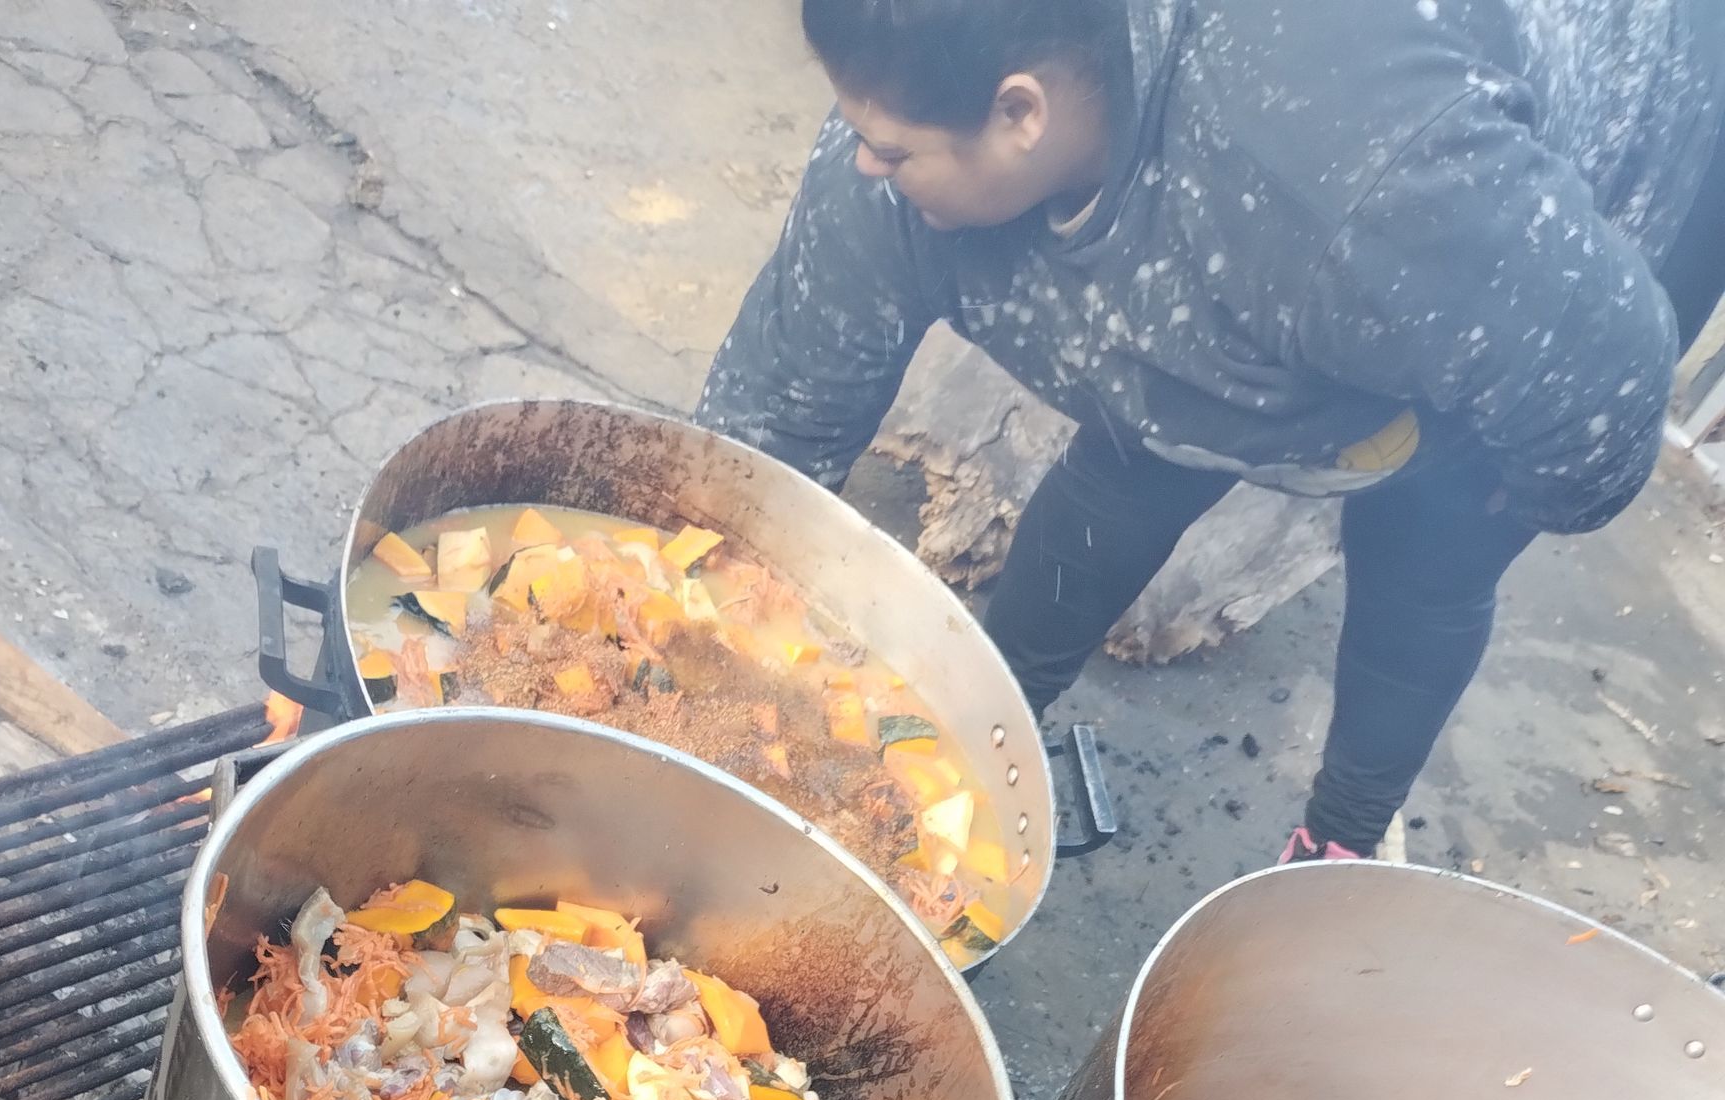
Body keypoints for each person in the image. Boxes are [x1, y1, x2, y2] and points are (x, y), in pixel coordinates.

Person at [700, 0, 1725, 862]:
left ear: (1020, 115)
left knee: (1430, 544)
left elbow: (1610, 386)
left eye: (894, 149)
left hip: (1590, 180)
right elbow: (756, 451)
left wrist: (1531, 482)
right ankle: (971, 741)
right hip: (1251, 272)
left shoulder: (1343, 176)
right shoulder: (911, 127)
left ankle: (1336, 842)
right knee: (1132, 454)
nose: (867, 166)